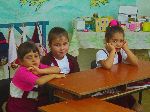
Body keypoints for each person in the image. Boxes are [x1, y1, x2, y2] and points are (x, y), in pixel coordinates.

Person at [96, 20, 142, 112]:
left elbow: (135, 62)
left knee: (138, 107)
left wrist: (126, 49)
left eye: (121, 41)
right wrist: (112, 51)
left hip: (119, 88)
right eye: (114, 41)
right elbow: (108, 66)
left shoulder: (120, 52)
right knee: (124, 108)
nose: (118, 44)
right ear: (107, 41)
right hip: (106, 91)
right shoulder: (101, 53)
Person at [6, 41, 65, 112]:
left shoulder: (38, 67)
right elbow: (40, 81)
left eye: (36, 56)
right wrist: (54, 75)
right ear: (21, 61)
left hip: (31, 104)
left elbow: (57, 69)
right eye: (29, 57)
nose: (34, 60)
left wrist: (41, 71)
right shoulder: (22, 71)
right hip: (17, 107)